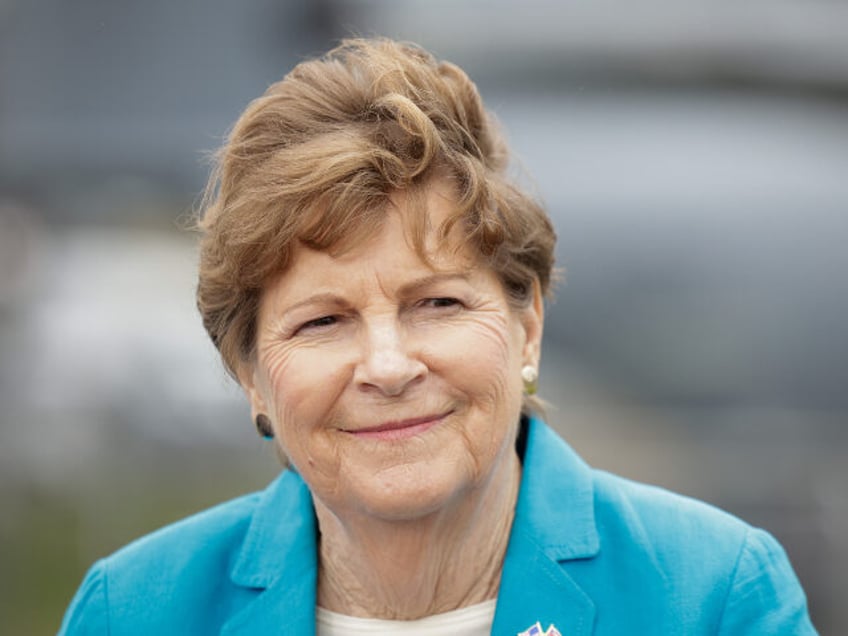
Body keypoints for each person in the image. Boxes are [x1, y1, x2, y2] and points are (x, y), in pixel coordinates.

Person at [59, 37, 816, 635]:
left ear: (527, 330)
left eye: (438, 304)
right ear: (251, 376)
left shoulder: (711, 596)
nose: (387, 366)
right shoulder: (133, 612)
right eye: (323, 321)